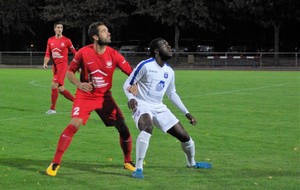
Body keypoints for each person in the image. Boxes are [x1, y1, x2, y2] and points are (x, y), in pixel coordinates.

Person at [46, 21, 135, 176]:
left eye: (107, 31)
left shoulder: (114, 54)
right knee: (74, 124)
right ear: (95, 36)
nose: (108, 33)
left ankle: (128, 161)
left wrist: (135, 84)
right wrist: (79, 84)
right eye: (104, 31)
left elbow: (131, 72)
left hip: (105, 98)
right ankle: (55, 162)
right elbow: (70, 72)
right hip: (85, 96)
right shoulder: (83, 53)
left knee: (123, 128)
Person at [123, 38, 212, 179]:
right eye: (165, 45)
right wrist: (131, 98)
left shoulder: (169, 71)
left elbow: (172, 94)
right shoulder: (145, 65)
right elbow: (128, 83)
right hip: (142, 104)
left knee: (185, 137)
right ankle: (138, 168)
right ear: (156, 51)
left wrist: (186, 113)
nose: (169, 46)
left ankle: (192, 163)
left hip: (159, 107)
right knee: (147, 128)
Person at [43, 21, 76, 114]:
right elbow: (47, 53)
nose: (59, 29)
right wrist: (45, 63)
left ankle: (52, 109)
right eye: (58, 27)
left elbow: (75, 53)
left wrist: (79, 64)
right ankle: (77, 102)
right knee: (61, 89)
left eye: (61, 27)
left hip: (63, 66)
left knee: (54, 85)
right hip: (55, 67)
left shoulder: (67, 40)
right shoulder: (50, 40)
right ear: (54, 29)